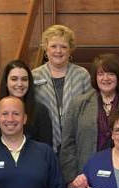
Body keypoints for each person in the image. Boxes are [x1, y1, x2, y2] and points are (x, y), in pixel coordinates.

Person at [60, 53, 119, 188]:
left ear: (118, 76)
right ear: (95, 77)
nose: (105, 78)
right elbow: (68, 144)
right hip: (86, 180)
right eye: (100, 74)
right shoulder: (78, 104)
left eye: (111, 74)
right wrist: (73, 179)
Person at [32, 24, 92, 154]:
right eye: (53, 46)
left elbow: (90, 110)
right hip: (43, 143)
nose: (58, 51)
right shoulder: (34, 76)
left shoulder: (82, 75)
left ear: (70, 50)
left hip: (76, 144)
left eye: (63, 47)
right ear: (46, 49)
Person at [0, 60, 52, 148]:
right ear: (6, 82)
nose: (19, 84)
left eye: (24, 79)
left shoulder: (40, 111)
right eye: (14, 79)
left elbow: (46, 147)